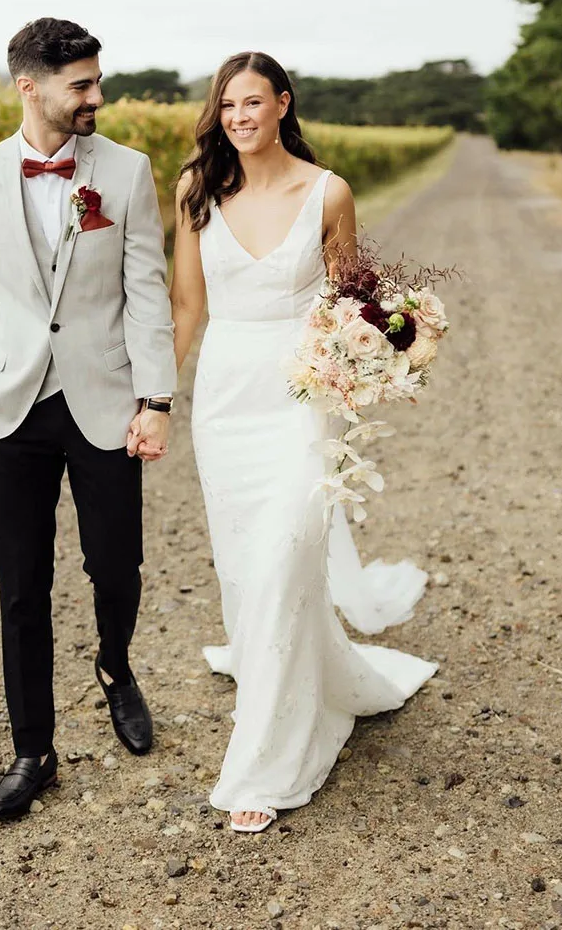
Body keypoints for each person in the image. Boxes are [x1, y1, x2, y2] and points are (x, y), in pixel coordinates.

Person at [170, 51, 437, 832]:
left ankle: (265, 761)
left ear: (283, 104)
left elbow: (352, 300)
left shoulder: (329, 192)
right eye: (227, 107)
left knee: (288, 544)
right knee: (248, 563)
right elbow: (187, 307)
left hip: (299, 395)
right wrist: (152, 398)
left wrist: (397, 337)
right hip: (225, 399)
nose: (239, 118)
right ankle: (281, 674)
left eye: (253, 103)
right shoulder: (195, 190)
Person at [0, 17, 176, 821]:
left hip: (105, 397)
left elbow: (146, 289)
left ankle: (115, 665)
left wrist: (155, 399)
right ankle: (33, 750)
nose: (96, 97)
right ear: (29, 86)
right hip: (11, 405)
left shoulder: (129, 171)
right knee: (21, 585)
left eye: (96, 80)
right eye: (80, 84)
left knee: (116, 566)